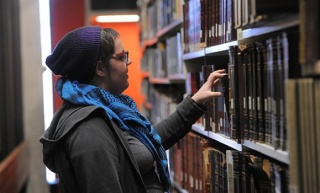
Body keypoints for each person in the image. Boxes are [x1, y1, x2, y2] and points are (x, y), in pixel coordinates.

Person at [40, 26, 226, 193]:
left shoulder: (109, 110)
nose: (128, 62)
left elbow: (147, 141)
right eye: (121, 57)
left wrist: (194, 102)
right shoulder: (89, 130)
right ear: (100, 68)